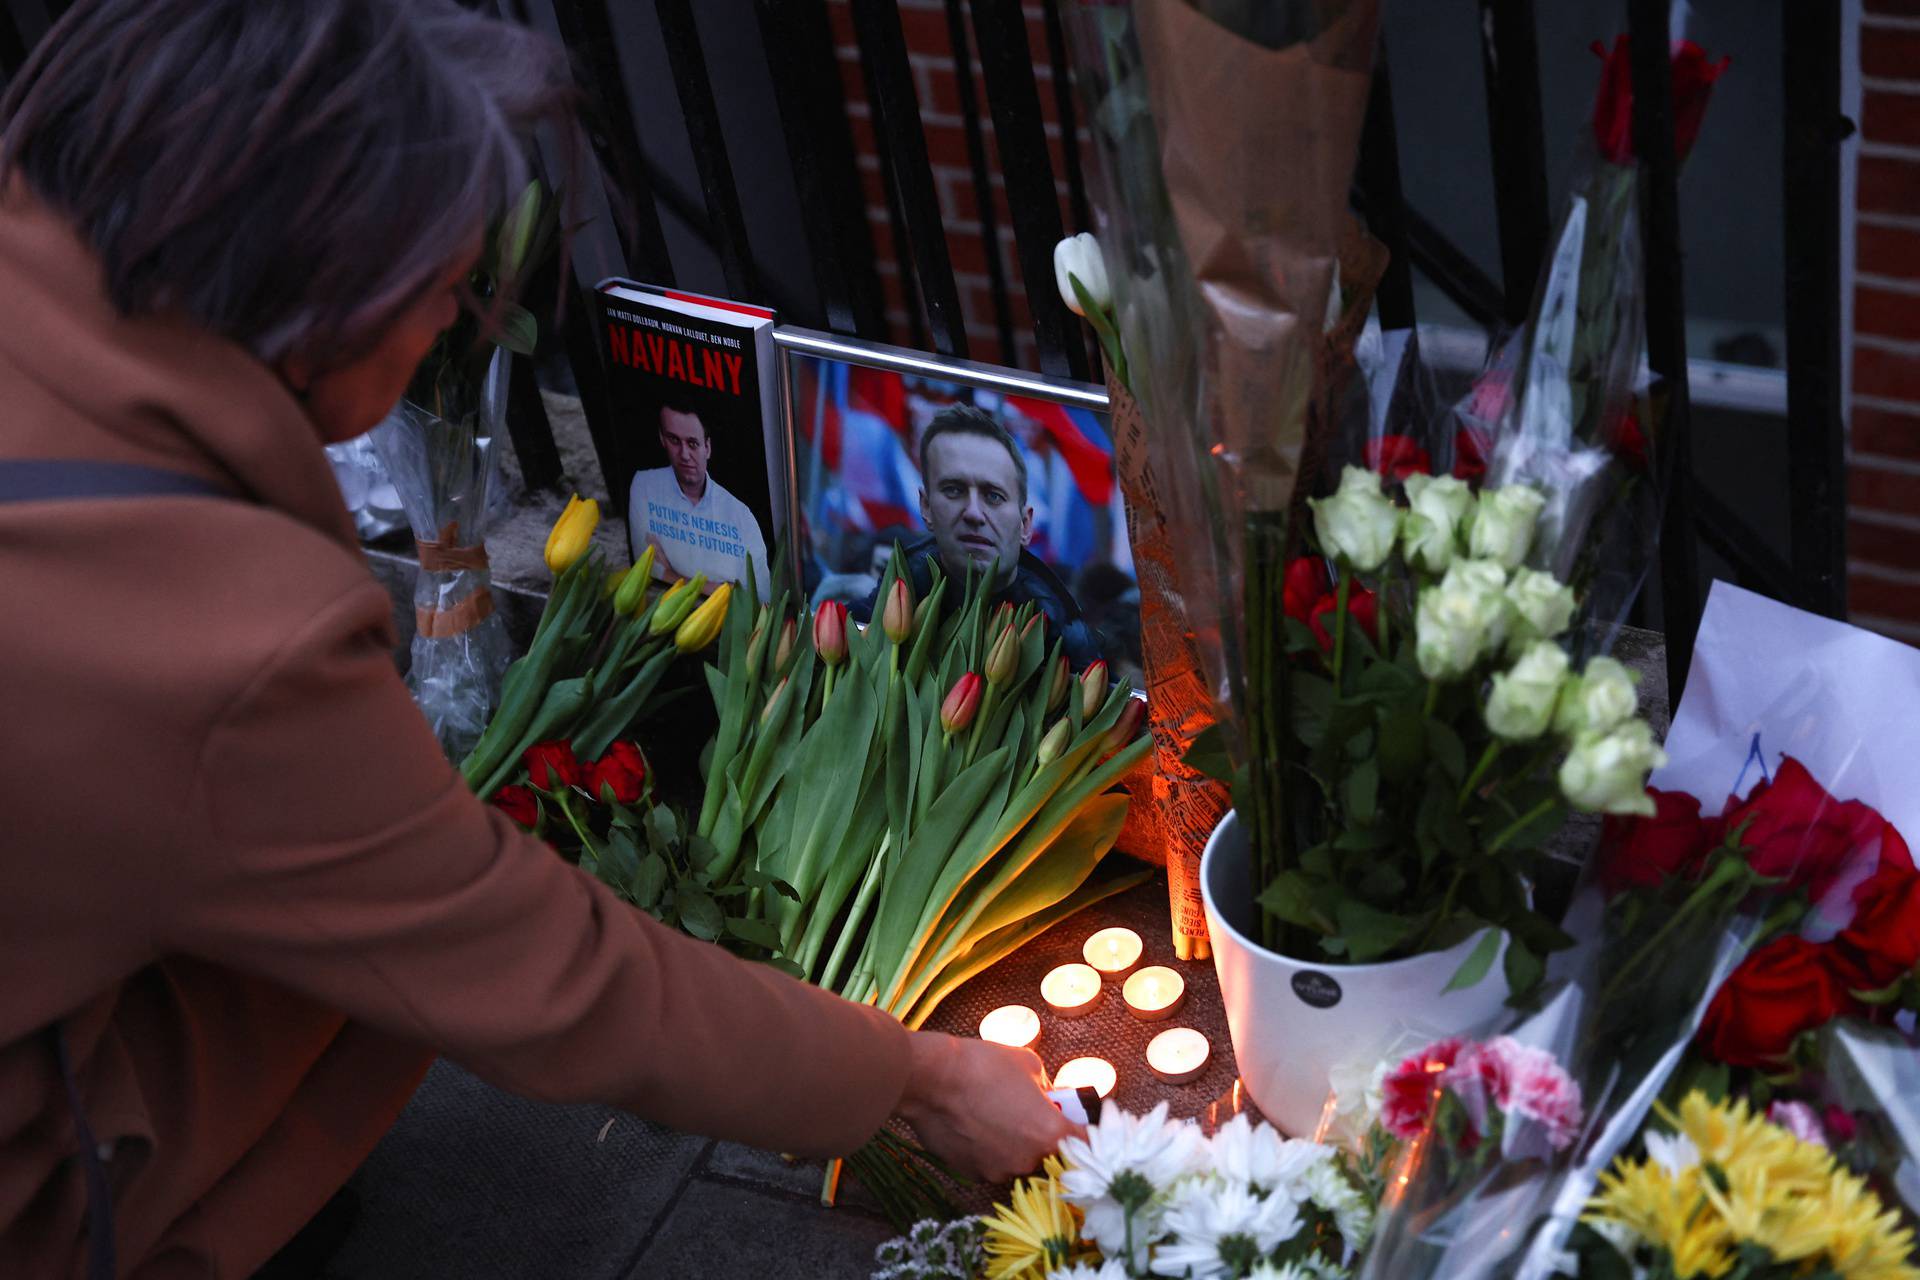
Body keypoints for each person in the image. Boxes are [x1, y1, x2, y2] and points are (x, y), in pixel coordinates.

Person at [0, 3, 1073, 1277]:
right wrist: (922, 1075)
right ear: (334, 277)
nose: (446, 332)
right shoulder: (222, 636)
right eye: (455, 291)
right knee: (384, 971)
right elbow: (552, 973)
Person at [854, 404, 1103, 668]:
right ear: (926, 507)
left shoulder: (1070, 652)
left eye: (993, 496)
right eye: (953, 490)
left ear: (1025, 524)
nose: (973, 513)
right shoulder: (871, 617)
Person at [627, 399, 771, 601]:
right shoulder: (644, 485)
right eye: (674, 440)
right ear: (662, 439)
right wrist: (720, 588)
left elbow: (760, 599)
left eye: (693, 444)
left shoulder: (741, 516)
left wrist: (670, 573)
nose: (684, 454)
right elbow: (644, 563)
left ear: (708, 447)